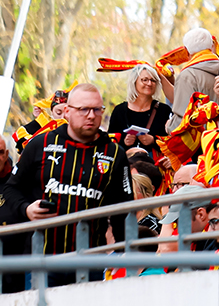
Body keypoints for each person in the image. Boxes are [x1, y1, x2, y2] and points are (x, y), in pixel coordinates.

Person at [3, 83, 132, 271]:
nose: (91, 115)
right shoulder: (41, 144)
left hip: (90, 262)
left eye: (97, 109)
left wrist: (123, 252)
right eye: (83, 109)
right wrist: (26, 208)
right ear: (67, 112)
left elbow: (124, 208)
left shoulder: (115, 153)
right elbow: (11, 188)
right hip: (41, 260)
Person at [109, 64, 173, 145]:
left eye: (153, 80)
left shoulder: (164, 110)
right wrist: (124, 141)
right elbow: (110, 142)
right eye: (145, 80)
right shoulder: (119, 111)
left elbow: (174, 142)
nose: (149, 83)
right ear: (134, 81)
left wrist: (154, 140)